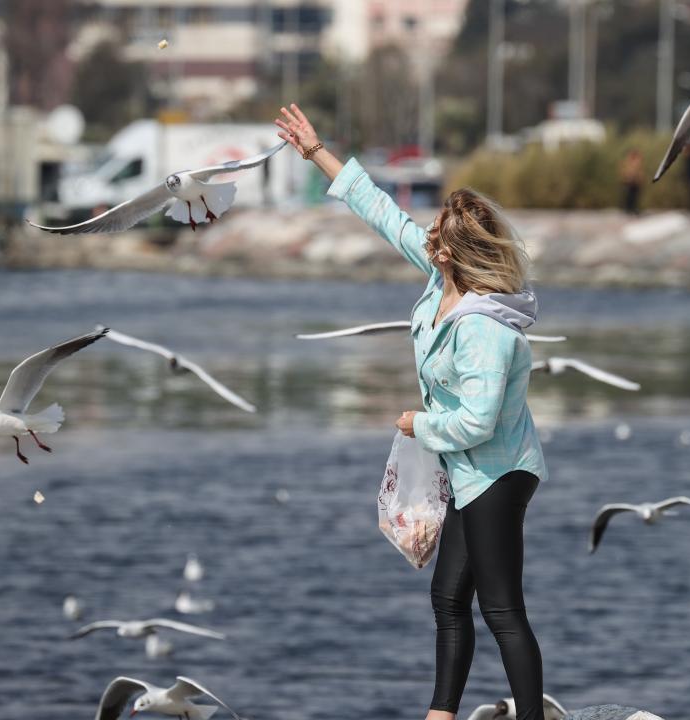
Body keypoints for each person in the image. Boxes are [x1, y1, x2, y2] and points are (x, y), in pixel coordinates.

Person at [274, 104, 548, 720]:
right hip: (471, 467)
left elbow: (477, 422)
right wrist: (316, 153)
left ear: (452, 251)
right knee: (448, 597)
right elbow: (381, 212)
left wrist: (415, 425)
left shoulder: (483, 328)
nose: (426, 233)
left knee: (502, 608)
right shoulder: (438, 283)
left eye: (438, 230)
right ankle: (440, 713)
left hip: (500, 470)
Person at [619, 148, 644, 214]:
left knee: (634, 197)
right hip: (630, 182)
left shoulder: (635, 162)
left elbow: (639, 172)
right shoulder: (630, 162)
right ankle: (629, 209)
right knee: (629, 197)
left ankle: (632, 209)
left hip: (635, 182)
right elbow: (627, 172)